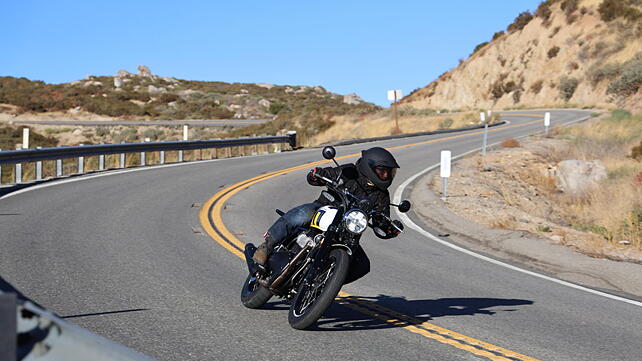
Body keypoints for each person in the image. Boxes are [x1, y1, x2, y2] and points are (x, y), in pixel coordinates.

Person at [252, 147, 404, 284]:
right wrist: (317, 174)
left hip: (348, 232)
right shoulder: (349, 172)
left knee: (362, 266)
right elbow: (326, 174)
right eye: (382, 171)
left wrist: (390, 228)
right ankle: (266, 246)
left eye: (389, 172)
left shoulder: (382, 196)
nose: (387, 175)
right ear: (369, 167)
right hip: (324, 209)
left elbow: (380, 220)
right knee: (302, 214)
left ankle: (324, 284)